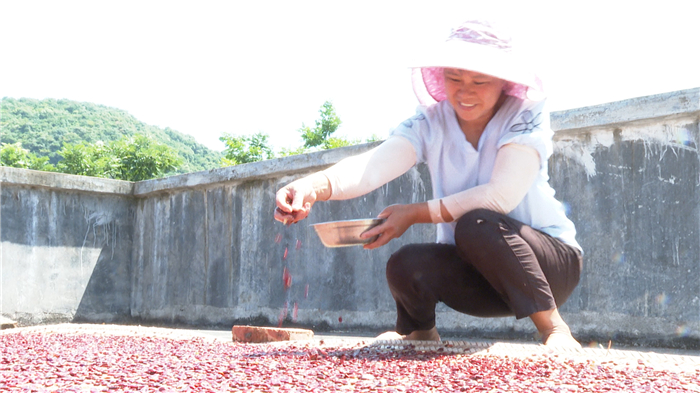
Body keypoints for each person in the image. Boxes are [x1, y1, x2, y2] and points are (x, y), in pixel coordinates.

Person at [274, 20, 583, 348]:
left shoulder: (525, 114)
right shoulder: (430, 121)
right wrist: (313, 186)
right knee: (405, 263)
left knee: (476, 223)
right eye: (454, 78)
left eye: (480, 81)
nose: (465, 92)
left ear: (504, 83)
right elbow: (374, 165)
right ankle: (419, 333)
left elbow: (500, 196)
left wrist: (414, 213)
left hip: (549, 267)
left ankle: (553, 328)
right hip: (483, 276)